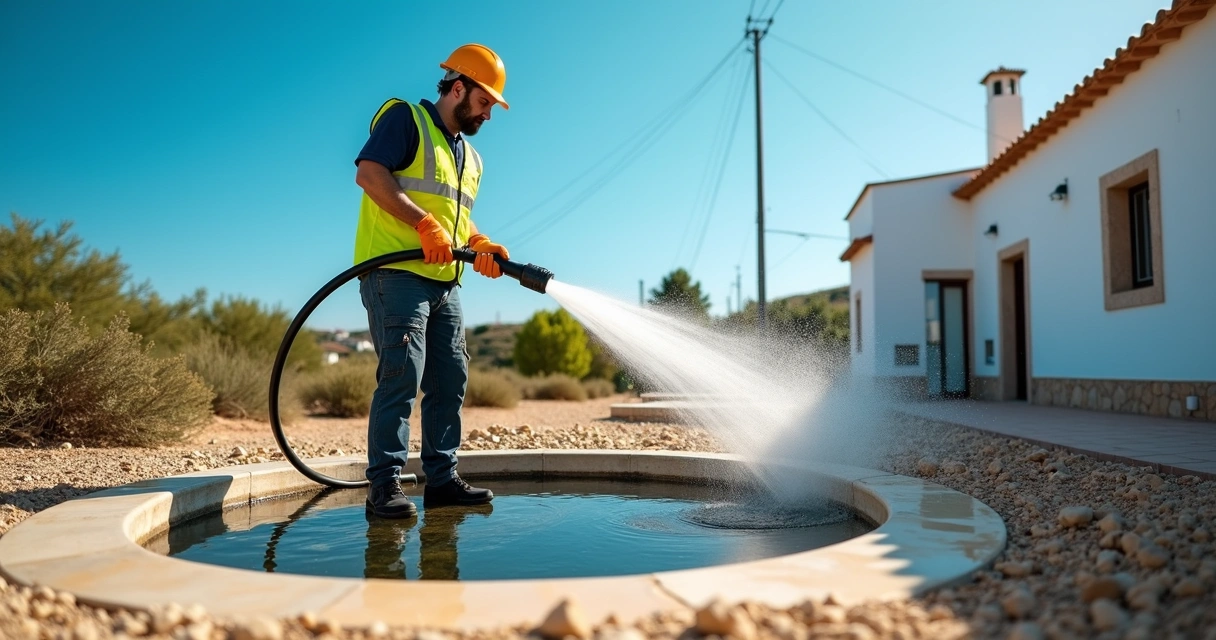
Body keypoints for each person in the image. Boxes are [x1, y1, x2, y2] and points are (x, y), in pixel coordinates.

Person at [353, 44, 510, 518]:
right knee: (402, 375)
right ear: (458, 88)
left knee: (450, 379)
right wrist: (422, 224)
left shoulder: (471, 157)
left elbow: (455, 218)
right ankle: (384, 485)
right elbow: (370, 174)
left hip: (446, 282)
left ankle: (442, 481)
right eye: (484, 102)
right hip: (396, 273)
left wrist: (479, 243)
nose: (487, 114)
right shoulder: (407, 119)